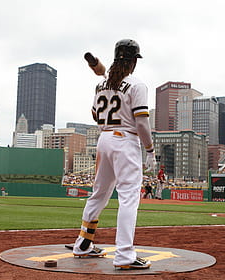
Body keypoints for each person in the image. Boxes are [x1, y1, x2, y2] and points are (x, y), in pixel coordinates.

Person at [72, 39, 156, 270]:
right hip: (125, 140)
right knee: (129, 197)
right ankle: (125, 255)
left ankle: (83, 244)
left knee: (98, 194)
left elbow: (95, 116)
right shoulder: (137, 85)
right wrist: (150, 151)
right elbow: (141, 123)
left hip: (104, 140)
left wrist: (110, 96)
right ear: (133, 62)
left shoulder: (101, 86)